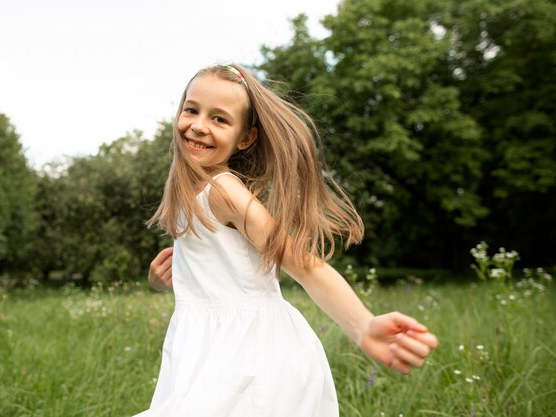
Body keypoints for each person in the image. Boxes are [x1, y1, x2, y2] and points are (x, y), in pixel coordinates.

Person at [133, 64, 438, 417]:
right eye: (192, 109)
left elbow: (303, 265)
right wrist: (160, 280)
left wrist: (363, 325)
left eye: (219, 119)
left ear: (244, 138)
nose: (199, 125)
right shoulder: (192, 191)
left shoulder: (224, 190)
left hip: (250, 354)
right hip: (213, 349)